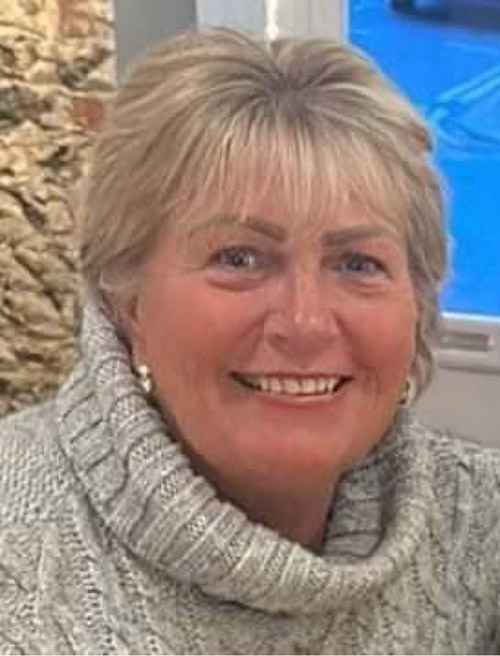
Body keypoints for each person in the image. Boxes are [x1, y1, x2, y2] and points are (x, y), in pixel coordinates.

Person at [0, 27, 498, 655]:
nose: (305, 323)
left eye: (357, 263)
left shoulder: (479, 530)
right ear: (126, 302)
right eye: (239, 258)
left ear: (418, 307)